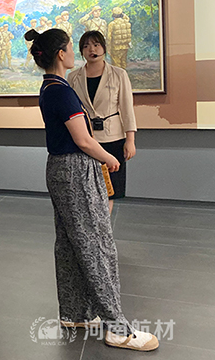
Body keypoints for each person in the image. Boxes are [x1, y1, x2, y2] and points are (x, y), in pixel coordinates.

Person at [26, 27, 157, 352]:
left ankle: (75, 312)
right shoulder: (62, 91)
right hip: (75, 171)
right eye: (73, 47)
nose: (78, 52)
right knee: (96, 245)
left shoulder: (51, 86)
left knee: (70, 244)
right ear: (61, 54)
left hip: (61, 169)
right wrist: (109, 158)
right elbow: (83, 140)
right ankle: (117, 327)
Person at [68, 30, 137, 214]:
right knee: (86, 187)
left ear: (104, 48)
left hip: (113, 137)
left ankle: (103, 225)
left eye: (96, 45)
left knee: (109, 189)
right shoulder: (73, 77)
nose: (92, 49)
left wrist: (130, 140)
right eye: (86, 46)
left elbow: (127, 109)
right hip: (85, 139)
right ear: (81, 51)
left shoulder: (119, 74)